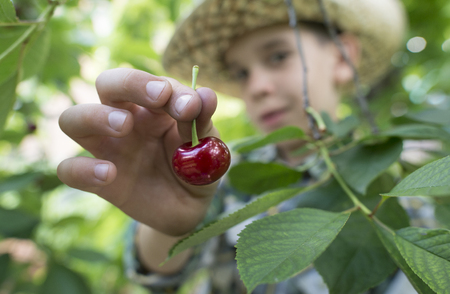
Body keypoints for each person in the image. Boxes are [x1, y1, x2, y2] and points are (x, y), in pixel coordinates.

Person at [57, 0, 425, 293]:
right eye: (241, 73)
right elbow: (159, 275)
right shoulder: (229, 177)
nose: (257, 86)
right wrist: (169, 229)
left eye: (278, 56)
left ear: (343, 56)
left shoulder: (399, 178)